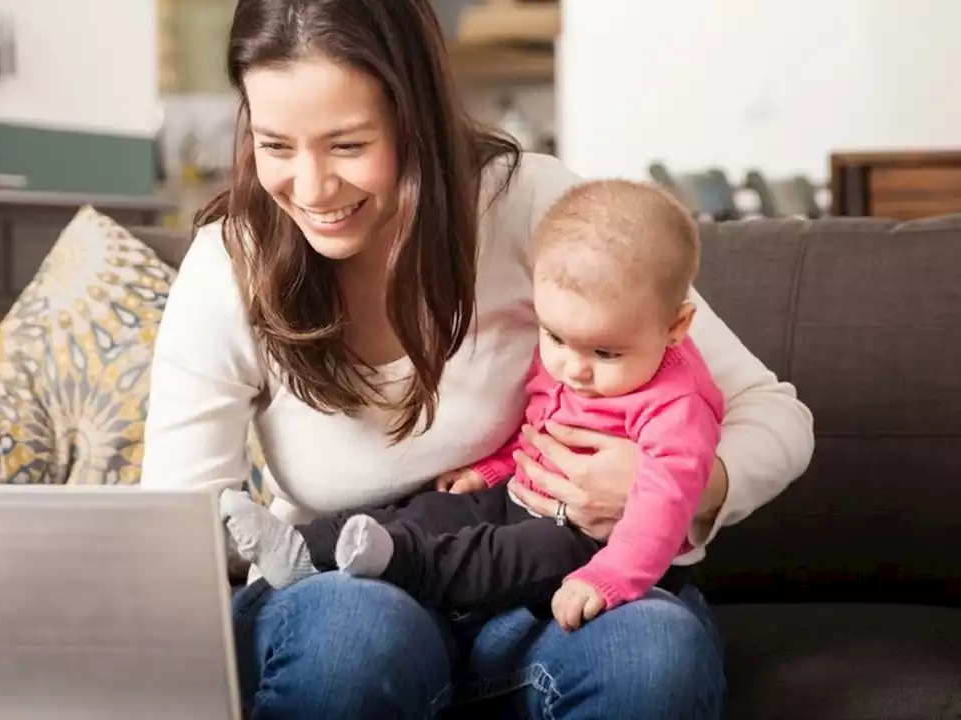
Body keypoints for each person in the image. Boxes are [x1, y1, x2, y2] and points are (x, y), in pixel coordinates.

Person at [141, 0, 814, 717]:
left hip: (540, 594)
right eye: (276, 146)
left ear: (417, 116)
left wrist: (682, 483)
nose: (311, 189)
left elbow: (771, 414)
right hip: (347, 595)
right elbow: (181, 531)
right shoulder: (231, 263)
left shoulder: (528, 203)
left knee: (650, 654)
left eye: (346, 146)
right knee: (356, 638)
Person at [217, 179, 726, 633]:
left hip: (593, 546)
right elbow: (539, 428)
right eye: (556, 338)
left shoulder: (678, 406)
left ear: (676, 327)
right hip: (520, 495)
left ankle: (399, 565)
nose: (574, 369)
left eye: (605, 353)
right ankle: (304, 548)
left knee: (518, 554)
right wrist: (494, 467)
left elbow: (664, 508)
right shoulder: (578, 351)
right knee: (430, 509)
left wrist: (611, 577)